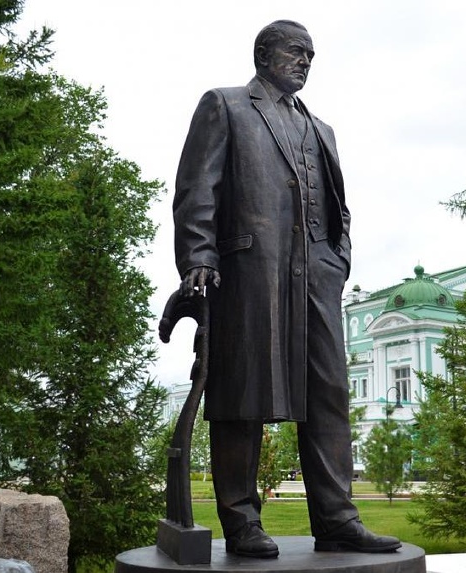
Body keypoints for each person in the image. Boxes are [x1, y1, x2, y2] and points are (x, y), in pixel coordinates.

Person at [172, 20, 401, 559]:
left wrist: (338, 259)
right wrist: (198, 256)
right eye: (296, 52)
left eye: (311, 56)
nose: (305, 62)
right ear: (263, 54)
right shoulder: (226, 105)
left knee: (328, 395)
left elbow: (338, 205)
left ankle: (338, 519)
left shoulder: (322, 128)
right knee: (243, 393)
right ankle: (241, 521)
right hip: (251, 272)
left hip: (318, 275)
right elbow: (197, 188)